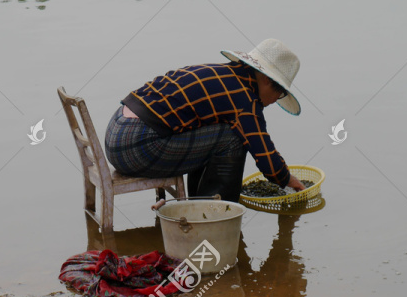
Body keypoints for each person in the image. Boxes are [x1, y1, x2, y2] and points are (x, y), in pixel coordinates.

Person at [104, 38, 307, 203]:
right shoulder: (244, 98)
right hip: (135, 147)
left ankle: (200, 201)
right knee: (234, 136)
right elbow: (263, 153)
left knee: (218, 127)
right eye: (280, 93)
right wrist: (289, 179)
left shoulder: (221, 74)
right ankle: (217, 212)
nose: (274, 101)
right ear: (265, 79)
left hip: (115, 133)